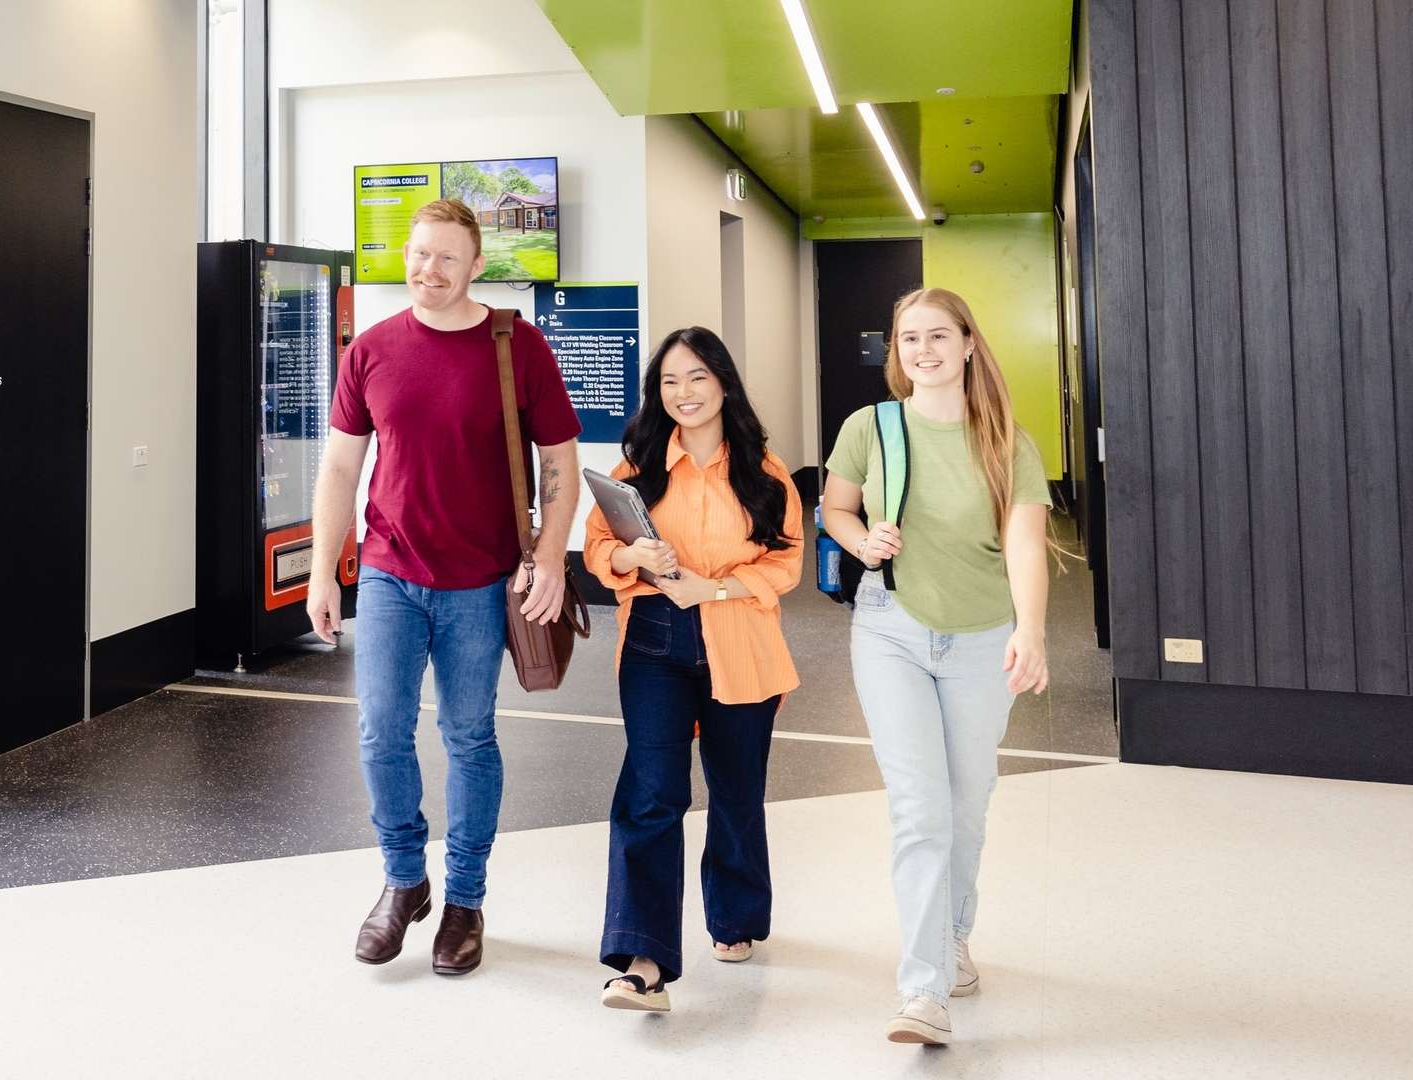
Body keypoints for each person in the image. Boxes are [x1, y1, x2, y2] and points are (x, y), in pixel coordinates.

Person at [307, 198, 582, 976]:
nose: (429, 270)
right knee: (380, 731)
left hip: (480, 583)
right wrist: (324, 569)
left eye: (447, 258)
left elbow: (559, 459)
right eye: (420, 254)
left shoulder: (517, 345)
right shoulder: (371, 350)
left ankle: (464, 900)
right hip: (391, 573)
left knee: (469, 737)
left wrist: (551, 556)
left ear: (476, 266)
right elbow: (340, 466)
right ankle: (404, 880)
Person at [820, 287, 1052, 1044]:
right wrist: (861, 541)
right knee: (920, 809)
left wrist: (1032, 631)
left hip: (983, 638)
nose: (922, 350)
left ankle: (953, 936)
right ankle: (923, 992)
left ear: (969, 343)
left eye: (937, 336)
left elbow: (1024, 545)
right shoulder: (871, 427)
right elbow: (834, 508)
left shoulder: (1007, 441)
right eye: (909, 338)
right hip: (889, 630)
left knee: (966, 802)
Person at [583, 326, 803, 1013]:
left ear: (724, 384)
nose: (684, 392)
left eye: (698, 377)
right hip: (654, 640)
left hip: (740, 637)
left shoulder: (765, 473)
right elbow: (597, 549)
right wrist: (630, 559)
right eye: (670, 381)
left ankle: (735, 916)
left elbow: (786, 563)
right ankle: (643, 960)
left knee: (736, 790)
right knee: (651, 793)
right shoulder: (636, 471)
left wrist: (716, 588)